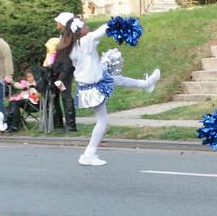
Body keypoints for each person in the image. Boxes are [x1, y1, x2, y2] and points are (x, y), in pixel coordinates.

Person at [67, 17, 160, 166]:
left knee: (117, 79)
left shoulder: (73, 46)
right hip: (93, 88)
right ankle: (88, 155)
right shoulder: (85, 42)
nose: (88, 26)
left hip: (91, 83)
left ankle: (147, 84)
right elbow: (101, 31)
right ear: (79, 31)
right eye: (85, 25)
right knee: (102, 120)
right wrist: (117, 23)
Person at [49, 12, 76, 131]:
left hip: (64, 73)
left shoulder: (69, 38)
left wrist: (62, 76)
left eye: (58, 22)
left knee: (65, 95)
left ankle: (70, 125)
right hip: (59, 71)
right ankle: (59, 122)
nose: (57, 24)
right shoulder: (63, 37)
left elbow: (67, 59)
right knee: (56, 95)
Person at [5, 68, 41, 132]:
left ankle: (15, 124)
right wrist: (12, 82)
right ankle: (10, 123)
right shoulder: (28, 84)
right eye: (27, 77)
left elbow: (38, 96)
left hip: (35, 105)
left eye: (30, 77)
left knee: (16, 103)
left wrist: (26, 96)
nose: (28, 78)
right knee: (12, 102)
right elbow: (20, 86)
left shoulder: (38, 84)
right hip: (27, 103)